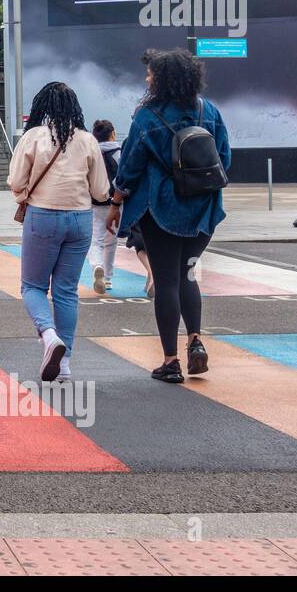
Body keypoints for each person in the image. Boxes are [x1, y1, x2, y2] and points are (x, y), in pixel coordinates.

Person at [105, 49, 231, 384]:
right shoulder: (210, 110)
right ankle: (196, 341)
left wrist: (116, 200)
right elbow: (225, 159)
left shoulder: (147, 116)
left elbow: (130, 167)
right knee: (188, 276)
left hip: (159, 209)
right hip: (203, 209)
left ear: (162, 79)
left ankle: (171, 361)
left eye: (151, 74)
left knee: (166, 282)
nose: (147, 78)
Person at [8, 83, 110, 382]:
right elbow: (101, 190)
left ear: (43, 106)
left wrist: (26, 191)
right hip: (80, 219)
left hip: (43, 216)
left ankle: (48, 335)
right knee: (66, 291)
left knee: (33, 287)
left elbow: (15, 181)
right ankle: (65, 364)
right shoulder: (87, 140)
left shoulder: (34, 136)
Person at [88, 119, 121, 294]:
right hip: (116, 204)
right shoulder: (119, 153)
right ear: (113, 134)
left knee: (95, 240)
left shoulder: (92, 153)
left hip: (95, 203)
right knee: (111, 241)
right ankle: (107, 278)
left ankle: (96, 266)